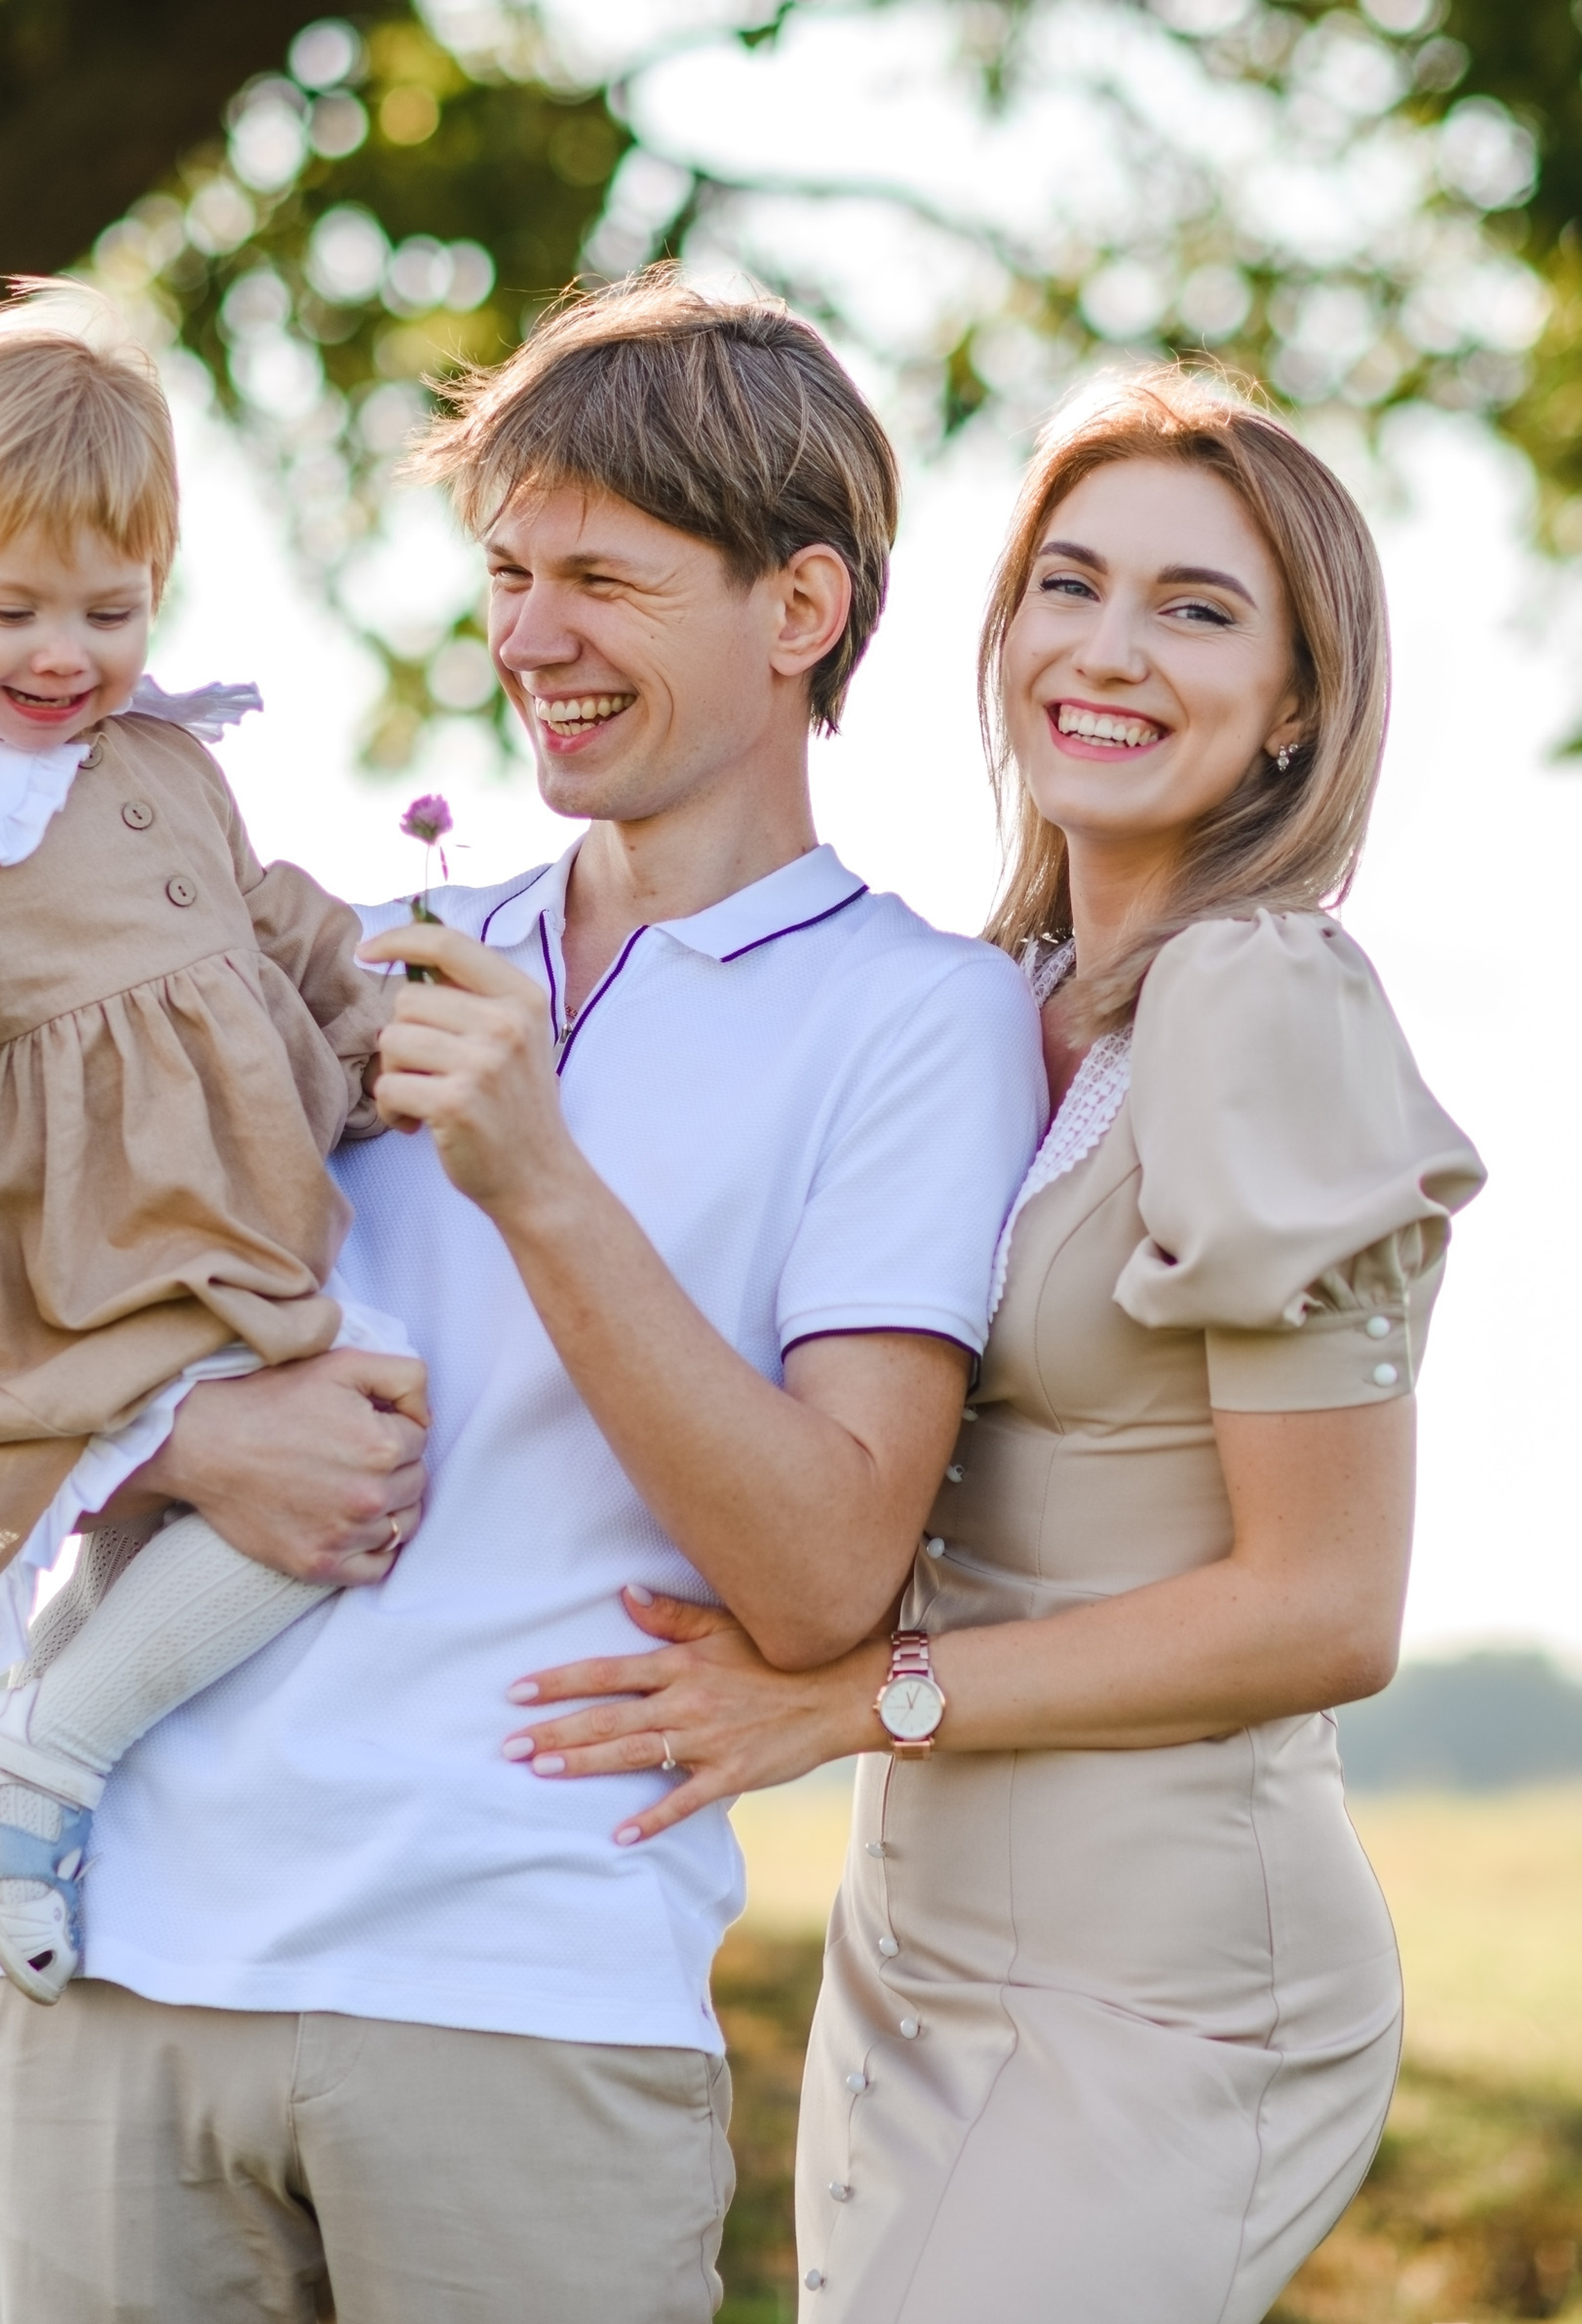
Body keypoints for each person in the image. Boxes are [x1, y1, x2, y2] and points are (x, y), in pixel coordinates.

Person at [0, 271, 1046, 2324]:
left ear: (801, 609)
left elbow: (826, 1573)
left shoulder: (922, 1020)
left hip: (517, 1998)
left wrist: (540, 1180)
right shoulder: (368, 953)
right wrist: (185, 1439)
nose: (528, 638)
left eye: (603, 582)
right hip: (108, 1962)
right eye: (509, 574)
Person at [505, 369, 1487, 2324]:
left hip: (1167, 1974)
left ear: (1296, 704)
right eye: (1068, 584)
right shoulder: (988, 1000)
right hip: (918, 1939)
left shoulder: (1261, 998)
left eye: (1195, 610)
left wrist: (850, 1699)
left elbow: (1324, 1609)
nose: (1106, 651)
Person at [0, 284, 422, 2003]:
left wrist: (382, 1023)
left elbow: (272, 921)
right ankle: (43, 1761)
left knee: (197, 1523)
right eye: (11, 610)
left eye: (112, 607)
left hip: (204, 1231)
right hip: (71, 1263)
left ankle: (16, 1786)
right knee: (353, 1449)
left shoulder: (158, 756)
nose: (64, 654)